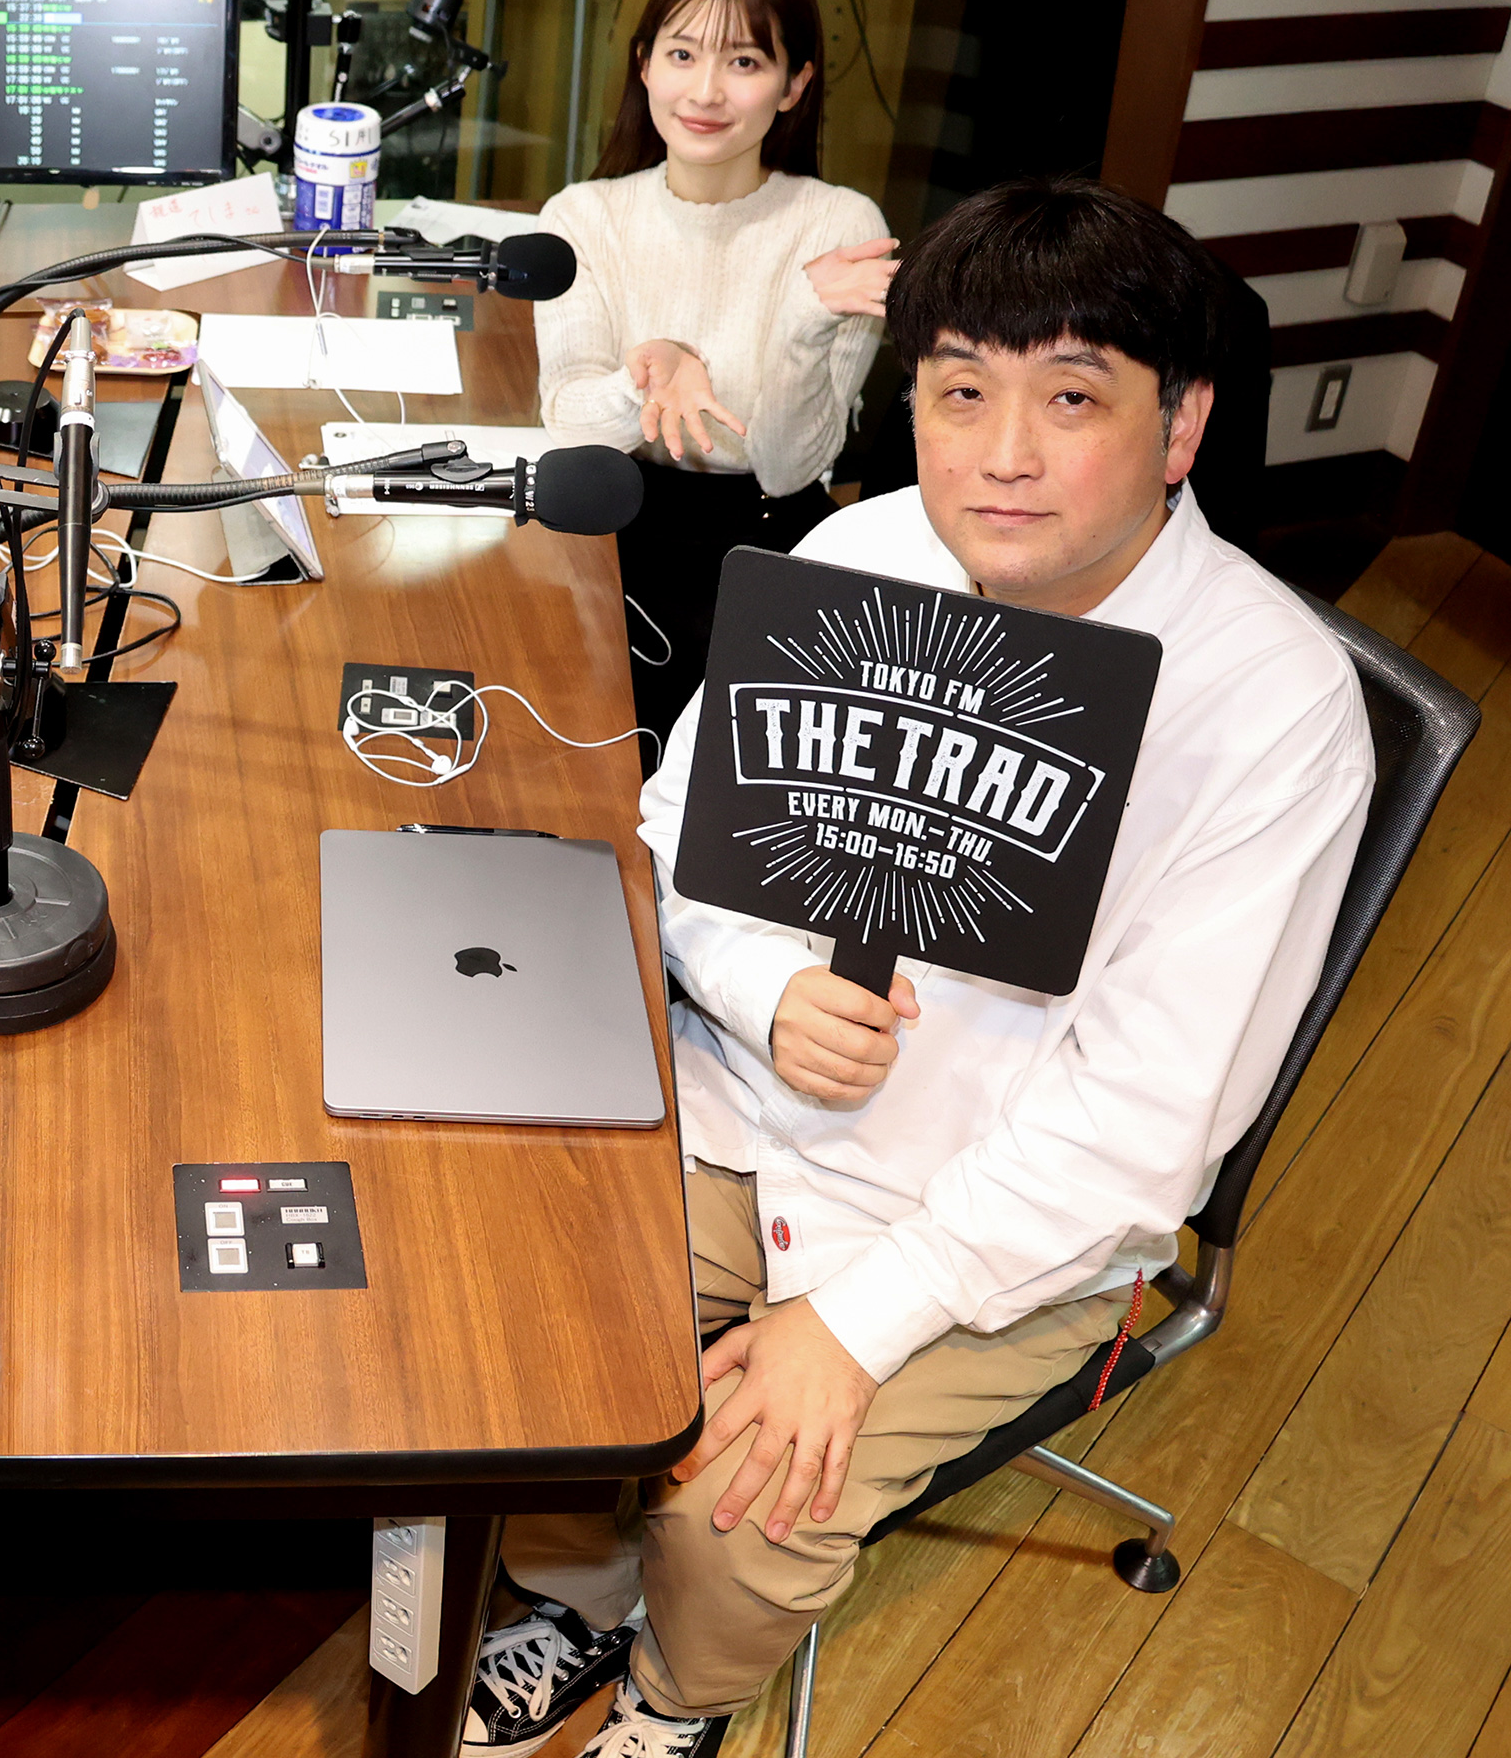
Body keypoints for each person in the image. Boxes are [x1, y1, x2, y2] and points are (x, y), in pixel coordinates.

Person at [463, 178, 1374, 1757]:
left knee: (742, 1505)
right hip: (742, 1114)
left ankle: (678, 1698)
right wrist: (762, 989)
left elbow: (1146, 1124)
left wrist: (857, 1324)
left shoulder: (1274, 711)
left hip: (988, 1219)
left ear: (1180, 426)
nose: (1002, 453)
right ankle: (574, 1595)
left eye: (1071, 399)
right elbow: (671, 838)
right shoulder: (864, 548)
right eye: (960, 393)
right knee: (520, 1333)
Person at [534, 0, 896, 752]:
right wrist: (651, 370)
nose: (704, 91)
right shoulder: (583, 216)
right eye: (683, 54)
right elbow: (571, 425)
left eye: (744, 62)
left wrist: (803, 318)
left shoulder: (840, 226)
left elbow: (788, 467)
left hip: (764, 535)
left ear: (794, 85)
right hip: (612, 526)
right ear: (644, 64)